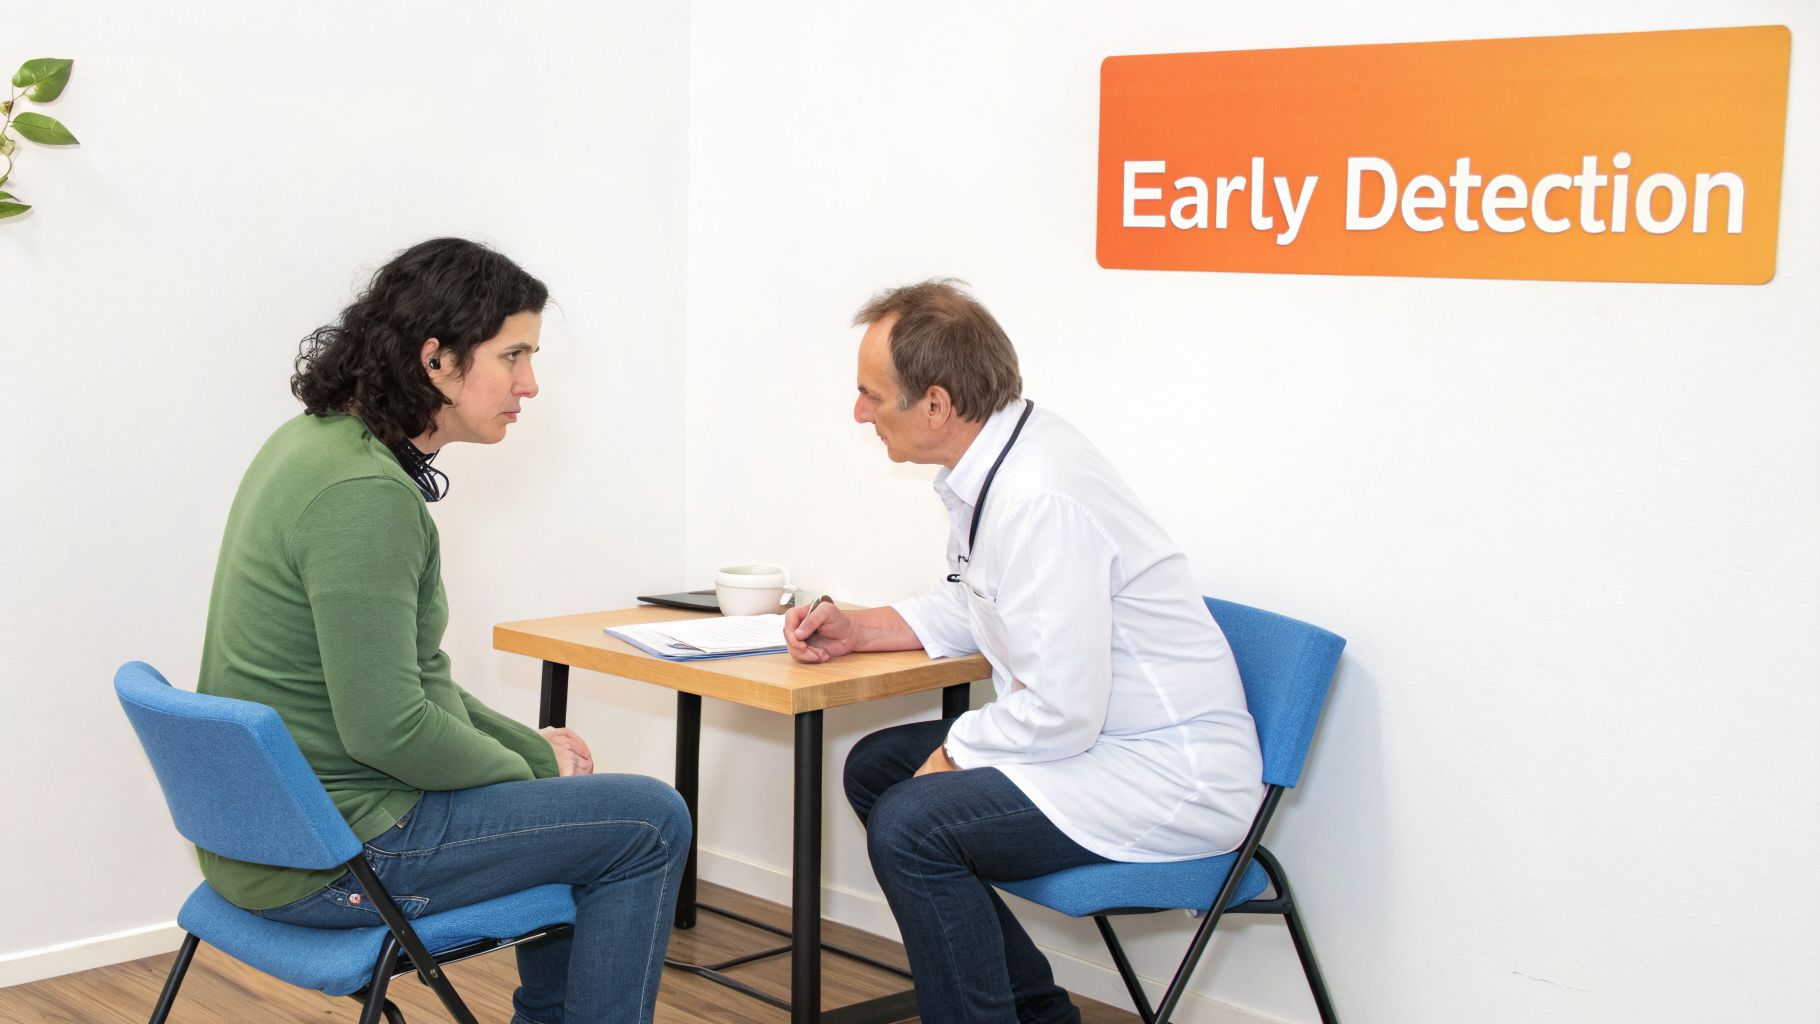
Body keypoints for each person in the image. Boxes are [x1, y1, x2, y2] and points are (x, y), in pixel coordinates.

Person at [198, 237, 689, 1024]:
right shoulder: (365, 494)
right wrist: (534, 771)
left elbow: (417, 678)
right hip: (333, 856)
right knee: (647, 820)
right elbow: (391, 728)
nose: (530, 384)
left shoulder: (313, 446)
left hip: (270, 836)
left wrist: (533, 752)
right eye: (514, 355)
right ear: (437, 359)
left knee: (589, 810)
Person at [783, 280, 1264, 1024]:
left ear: (936, 404)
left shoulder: (1039, 495)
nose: (859, 412)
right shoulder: (1001, 461)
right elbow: (988, 604)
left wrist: (952, 758)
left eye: (871, 395)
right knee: (876, 770)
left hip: (1168, 776)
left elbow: (1061, 711)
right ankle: (1036, 1013)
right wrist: (864, 627)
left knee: (914, 822)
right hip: (1102, 743)